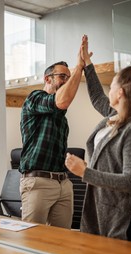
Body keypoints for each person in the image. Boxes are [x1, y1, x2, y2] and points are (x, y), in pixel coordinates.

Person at [65, 35, 131, 246]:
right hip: (105, 209)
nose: (109, 89)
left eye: (112, 84)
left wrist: (84, 172)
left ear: (120, 92)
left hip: (128, 219)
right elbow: (98, 97)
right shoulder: (114, 118)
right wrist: (86, 64)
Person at [19, 37, 85, 228]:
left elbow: (62, 104)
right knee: (32, 241)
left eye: (68, 76)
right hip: (38, 182)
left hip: (63, 184)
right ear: (48, 79)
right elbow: (61, 101)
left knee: (62, 243)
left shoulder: (61, 117)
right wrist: (79, 68)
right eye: (62, 76)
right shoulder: (35, 98)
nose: (67, 79)